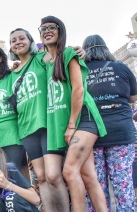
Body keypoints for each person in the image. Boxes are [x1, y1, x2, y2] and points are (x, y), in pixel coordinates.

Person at [39, 16, 107, 212]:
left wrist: (70, 125)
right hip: (73, 122)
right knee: (88, 175)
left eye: (52, 27)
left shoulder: (69, 53)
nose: (47, 31)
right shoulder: (47, 63)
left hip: (83, 119)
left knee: (69, 171)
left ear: (61, 31)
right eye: (43, 28)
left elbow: (78, 89)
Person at [8, 27, 70, 212]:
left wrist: (76, 50)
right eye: (13, 40)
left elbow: (59, 54)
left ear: (30, 41)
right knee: (41, 177)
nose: (18, 42)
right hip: (26, 129)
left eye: (22, 38)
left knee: (53, 175)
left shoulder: (41, 58)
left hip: (46, 124)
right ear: (11, 47)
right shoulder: (13, 74)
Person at [82, 34, 137, 211]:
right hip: (121, 131)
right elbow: (133, 97)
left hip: (91, 134)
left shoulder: (80, 70)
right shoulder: (121, 68)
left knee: (95, 185)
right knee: (123, 185)